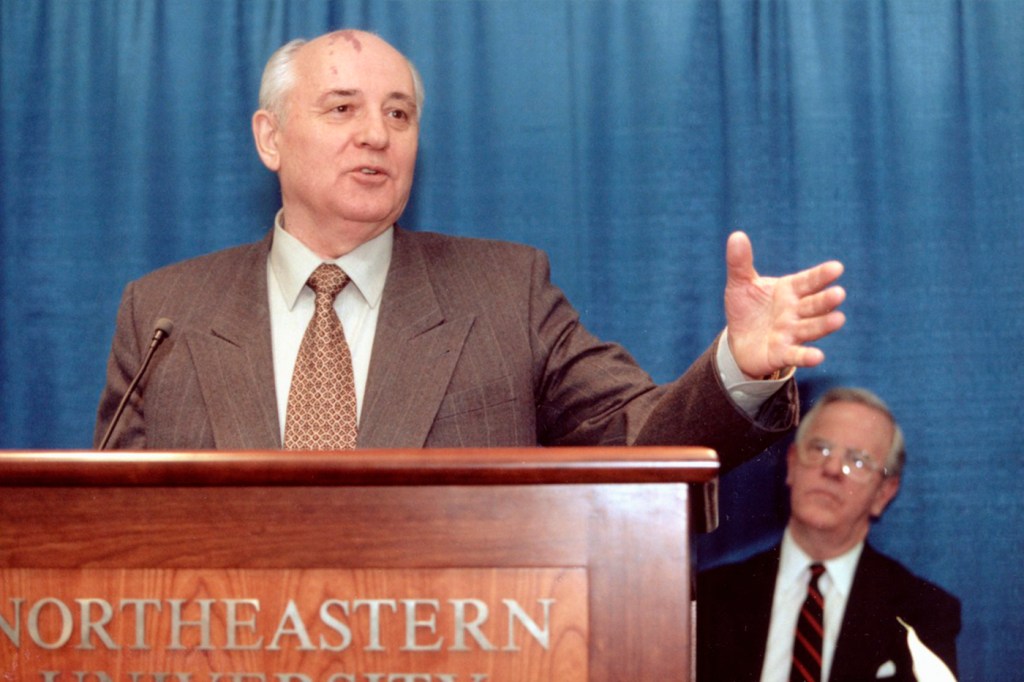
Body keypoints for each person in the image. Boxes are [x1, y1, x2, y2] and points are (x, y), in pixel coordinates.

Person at [94, 29, 845, 462]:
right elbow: (102, 536)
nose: (376, 134)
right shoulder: (165, 313)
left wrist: (738, 367)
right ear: (269, 138)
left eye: (399, 112)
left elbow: (637, 438)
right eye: (342, 107)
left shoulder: (503, 293)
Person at [696, 387, 961, 682]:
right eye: (820, 449)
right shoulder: (708, 598)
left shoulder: (924, 613)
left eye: (858, 460)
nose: (832, 468)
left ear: (884, 493)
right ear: (792, 464)